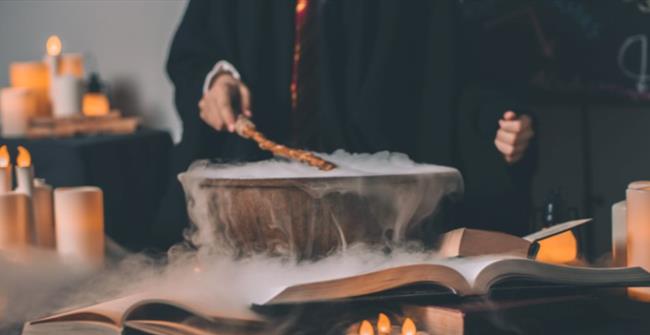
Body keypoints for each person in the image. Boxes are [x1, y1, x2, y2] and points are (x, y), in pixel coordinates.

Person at [154, 0, 536, 248]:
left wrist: (493, 121)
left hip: (372, 213)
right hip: (252, 211)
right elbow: (193, 52)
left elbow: (452, 69)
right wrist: (215, 80)